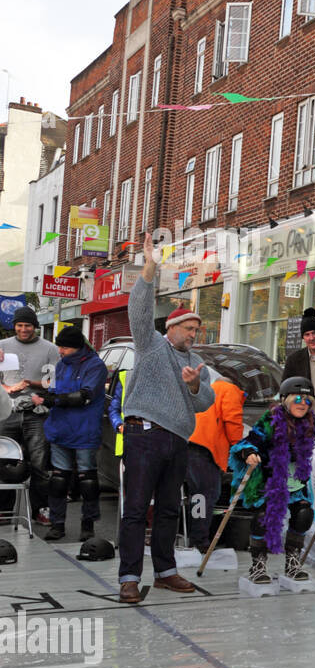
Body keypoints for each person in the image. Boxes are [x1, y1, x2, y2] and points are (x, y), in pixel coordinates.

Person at [118, 231, 215, 604]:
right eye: (188, 328)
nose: (193, 334)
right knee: (137, 507)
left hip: (177, 440)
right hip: (144, 433)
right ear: (170, 329)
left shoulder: (197, 363)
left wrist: (193, 387)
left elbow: (205, 401)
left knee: (169, 509)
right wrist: (150, 267)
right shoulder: (151, 344)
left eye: (196, 329)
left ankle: (165, 572)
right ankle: (129, 576)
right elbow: (138, 310)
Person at [229, 377, 315, 586]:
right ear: (285, 400)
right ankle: (258, 566)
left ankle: (292, 563)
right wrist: (249, 452)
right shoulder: (271, 420)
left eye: (307, 400)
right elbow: (250, 441)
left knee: (304, 514)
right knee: (263, 517)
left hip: (295, 482)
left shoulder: (312, 422)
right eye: (297, 398)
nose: (302, 404)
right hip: (269, 481)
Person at [31, 326, 106, 542]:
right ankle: (57, 524)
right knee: (58, 479)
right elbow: (55, 391)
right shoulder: (62, 365)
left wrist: (48, 400)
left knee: (87, 480)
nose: (60, 351)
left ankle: (88, 524)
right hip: (60, 428)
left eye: (64, 347)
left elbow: (84, 397)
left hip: (84, 429)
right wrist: (41, 395)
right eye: (59, 346)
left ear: (77, 347)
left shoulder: (95, 366)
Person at [0, 306, 59, 525]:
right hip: (7, 412)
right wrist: (7, 389)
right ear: (14, 326)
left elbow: (54, 382)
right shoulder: (2, 346)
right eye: (20, 325)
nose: (24, 329)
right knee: (5, 461)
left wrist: (30, 384)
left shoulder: (49, 349)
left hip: (37, 413)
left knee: (39, 464)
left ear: (35, 326)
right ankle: (4, 510)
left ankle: (39, 510)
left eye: (28, 325)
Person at [185, 371, 245, 553]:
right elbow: (233, 420)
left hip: (188, 443)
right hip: (204, 449)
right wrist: (241, 448)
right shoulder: (229, 389)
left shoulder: (208, 390)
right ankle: (199, 540)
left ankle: (195, 537)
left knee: (197, 495)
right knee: (206, 494)